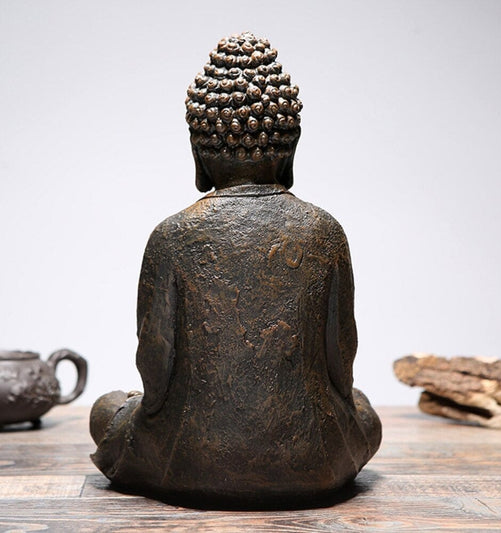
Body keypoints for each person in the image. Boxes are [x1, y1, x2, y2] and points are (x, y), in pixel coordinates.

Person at [90, 32, 381, 505]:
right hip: (313, 463)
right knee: (365, 413)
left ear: (198, 151)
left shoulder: (172, 234)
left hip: (188, 463)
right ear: (291, 147)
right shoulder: (325, 231)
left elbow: (155, 368)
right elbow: (340, 362)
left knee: (106, 408)